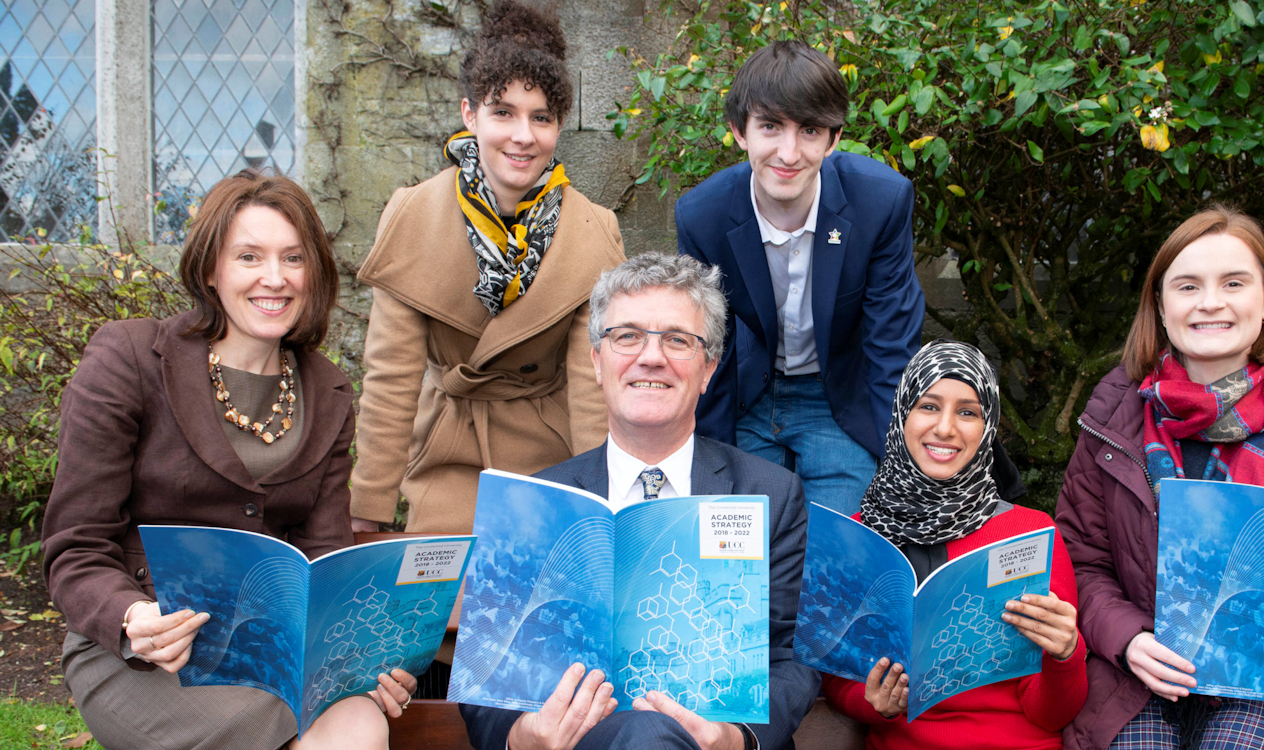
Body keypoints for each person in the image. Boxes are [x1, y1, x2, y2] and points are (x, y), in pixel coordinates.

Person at [41, 170, 417, 750]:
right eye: (249, 256)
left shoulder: (328, 391)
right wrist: (132, 617)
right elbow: (75, 546)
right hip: (145, 652)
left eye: (293, 258)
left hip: (268, 651)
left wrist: (362, 660)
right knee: (287, 717)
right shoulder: (129, 358)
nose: (275, 278)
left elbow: (324, 560)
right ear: (210, 270)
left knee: (360, 720)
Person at [458, 253, 821, 750]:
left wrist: (734, 738)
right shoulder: (533, 505)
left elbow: (792, 656)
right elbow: (487, 668)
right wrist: (523, 738)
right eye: (627, 336)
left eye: (677, 340)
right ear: (597, 360)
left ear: (708, 369)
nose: (651, 357)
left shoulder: (771, 495)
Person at [1053, 206, 1264, 750]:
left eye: (1233, 283)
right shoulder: (1112, 419)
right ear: (1161, 305)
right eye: (1187, 286)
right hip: (1139, 677)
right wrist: (1128, 640)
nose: (1209, 302)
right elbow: (1082, 561)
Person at [350, 0, 625, 534]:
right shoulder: (413, 214)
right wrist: (369, 512)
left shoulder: (593, 231)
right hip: (448, 449)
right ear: (470, 114)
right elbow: (390, 381)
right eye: (503, 112)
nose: (523, 136)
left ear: (558, 125)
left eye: (541, 117)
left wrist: (601, 509)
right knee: (442, 586)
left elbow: (593, 392)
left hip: (550, 456)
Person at [675, 40, 925, 516]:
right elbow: (709, 346)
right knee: (743, 535)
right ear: (740, 131)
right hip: (750, 392)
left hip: (837, 397)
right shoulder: (703, 216)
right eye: (770, 126)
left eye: (809, 130)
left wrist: (903, 466)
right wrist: (706, 463)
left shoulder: (880, 203)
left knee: (842, 538)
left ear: (833, 139)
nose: (788, 153)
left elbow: (891, 344)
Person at [820, 341, 1086, 749]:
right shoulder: (859, 537)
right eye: (928, 406)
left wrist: (1066, 653)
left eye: (967, 412)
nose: (945, 428)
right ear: (901, 414)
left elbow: (1052, 714)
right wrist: (877, 704)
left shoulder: (1030, 533)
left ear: (988, 427)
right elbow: (837, 682)